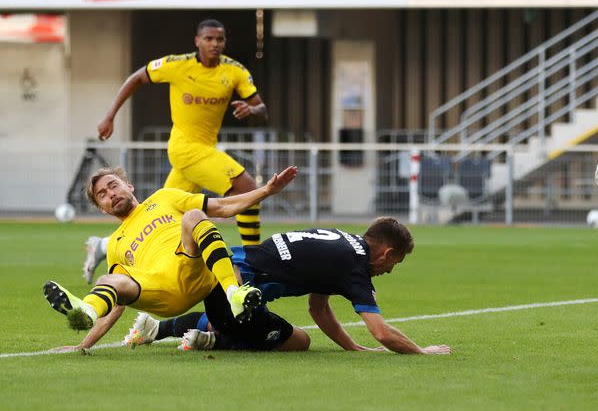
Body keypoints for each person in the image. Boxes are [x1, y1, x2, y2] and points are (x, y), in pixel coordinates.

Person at [44, 165, 310, 353]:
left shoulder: (164, 197)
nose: (110, 194)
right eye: (102, 195)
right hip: (160, 292)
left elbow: (223, 207)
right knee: (107, 279)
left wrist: (266, 191)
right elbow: (117, 305)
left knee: (193, 216)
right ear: (102, 209)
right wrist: (84, 345)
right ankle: (86, 311)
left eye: (113, 185)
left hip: (192, 267)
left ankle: (233, 295)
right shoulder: (115, 244)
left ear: (129, 185)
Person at [82, 18, 268, 284]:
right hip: (185, 148)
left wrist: (252, 110)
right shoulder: (177, 65)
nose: (214, 44)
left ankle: (101, 245)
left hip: (203, 150)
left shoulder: (235, 71)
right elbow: (138, 77)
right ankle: (253, 262)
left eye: (220, 39)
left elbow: (263, 111)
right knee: (247, 188)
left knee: (161, 215)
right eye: (209, 39)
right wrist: (110, 115)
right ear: (197, 41)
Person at [126, 217, 451, 355]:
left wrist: (352, 348)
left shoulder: (341, 242)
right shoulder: (355, 267)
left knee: (254, 317)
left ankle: (156, 329)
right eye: (393, 264)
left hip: (222, 266)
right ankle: (215, 340)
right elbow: (381, 333)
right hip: (236, 290)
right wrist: (423, 352)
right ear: (388, 252)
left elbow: (318, 307)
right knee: (299, 341)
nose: (389, 271)